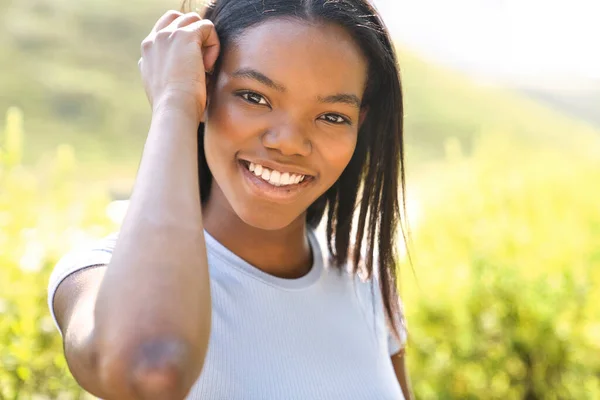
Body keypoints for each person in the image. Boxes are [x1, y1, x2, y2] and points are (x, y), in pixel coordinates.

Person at [47, 0, 413, 398]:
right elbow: (148, 368)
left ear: (359, 125)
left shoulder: (366, 284)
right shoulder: (99, 277)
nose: (288, 142)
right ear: (203, 91)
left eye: (331, 116)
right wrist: (173, 103)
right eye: (254, 97)